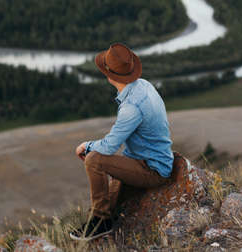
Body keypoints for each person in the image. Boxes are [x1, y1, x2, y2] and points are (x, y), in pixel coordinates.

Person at [70, 43, 174, 241]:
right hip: (146, 159)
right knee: (111, 201)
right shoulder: (143, 85)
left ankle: (101, 223)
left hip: (152, 169)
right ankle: (104, 217)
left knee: (93, 159)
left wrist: (85, 146)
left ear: (110, 76)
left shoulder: (131, 107)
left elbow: (109, 146)